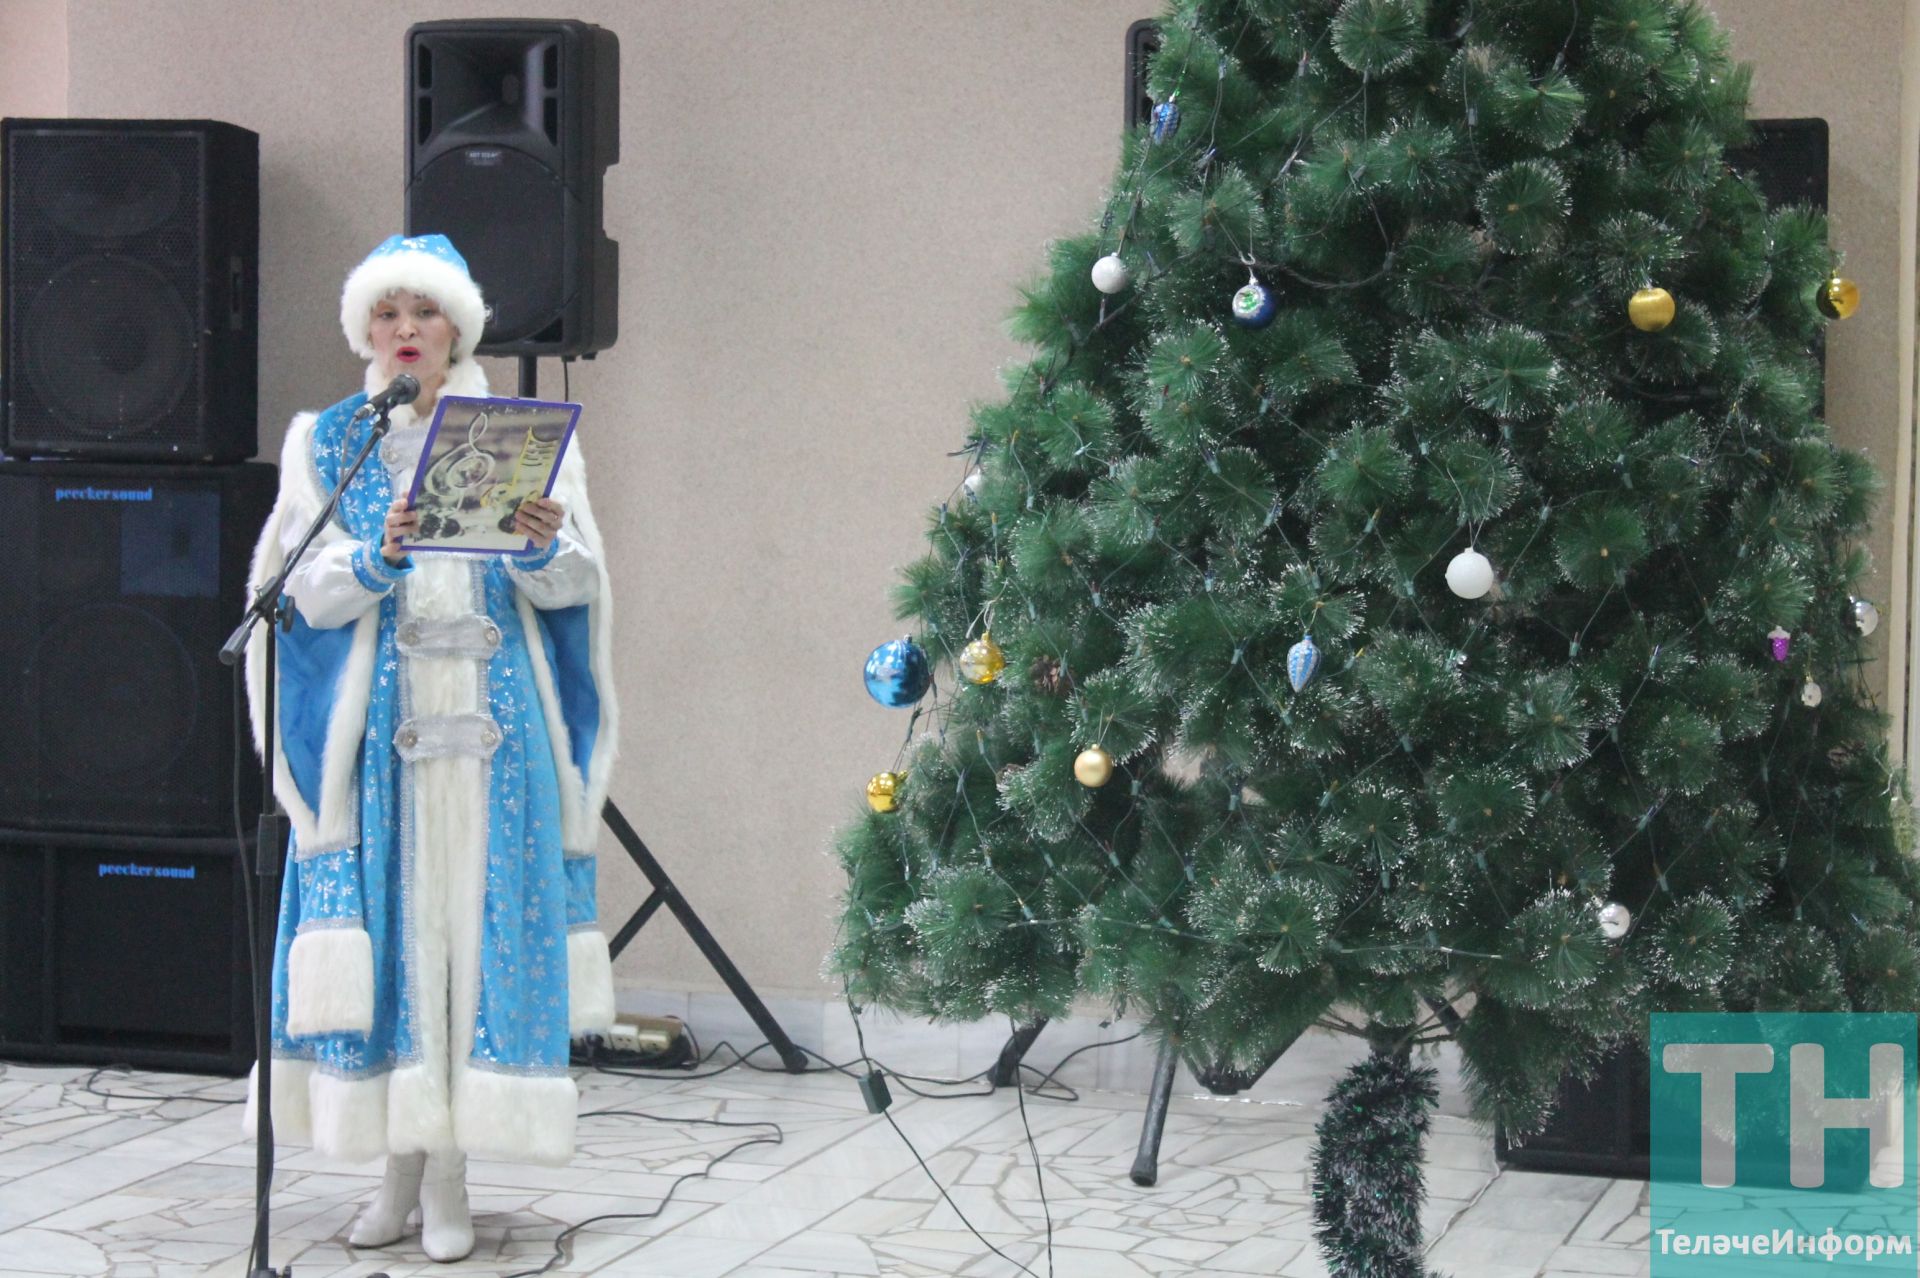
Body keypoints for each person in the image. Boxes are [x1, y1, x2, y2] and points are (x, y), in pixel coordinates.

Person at [243, 234, 619, 1262]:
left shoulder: (522, 438)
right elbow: (293, 591)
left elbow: (578, 588)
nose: (406, 332)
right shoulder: (328, 442)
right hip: (382, 754)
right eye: (388, 315)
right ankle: (396, 1170)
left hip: (495, 744)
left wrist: (543, 544)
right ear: (366, 330)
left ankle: (449, 1176)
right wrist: (375, 554)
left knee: (474, 943)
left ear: (459, 326)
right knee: (401, 945)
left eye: (425, 313)